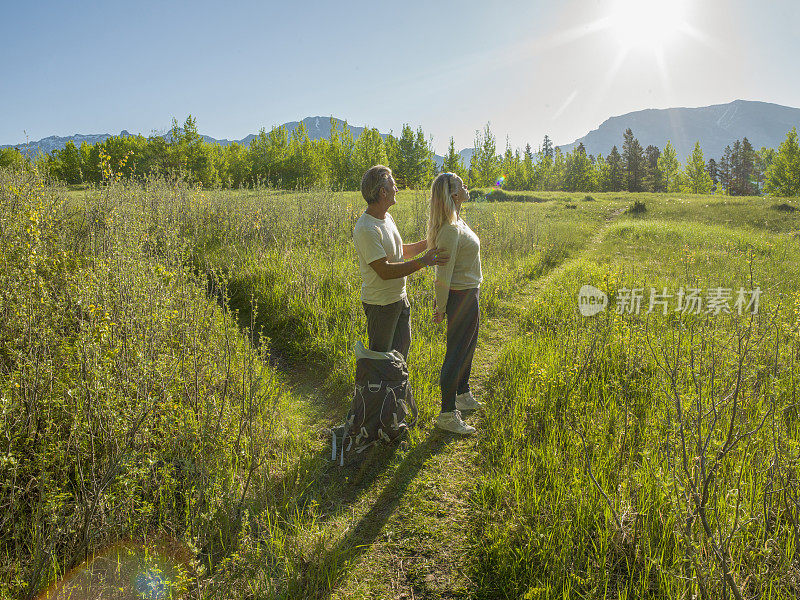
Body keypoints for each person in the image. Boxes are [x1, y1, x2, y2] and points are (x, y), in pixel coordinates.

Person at [353, 165, 448, 359]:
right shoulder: (366, 228)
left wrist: (432, 241)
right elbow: (384, 271)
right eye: (394, 185)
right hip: (381, 305)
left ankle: (396, 389)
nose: (397, 190)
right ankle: (377, 389)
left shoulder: (387, 218)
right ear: (383, 192)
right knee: (381, 358)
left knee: (401, 353)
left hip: (399, 299)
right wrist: (423, 262)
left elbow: (401, 251)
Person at [427, 172, 482, 435]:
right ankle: (447, 414)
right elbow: (442, 275)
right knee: (455, 354)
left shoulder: (458, 221)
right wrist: (440, 307)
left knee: (468, 348)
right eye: (461, 184)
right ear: (453, 194)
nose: (466, 185)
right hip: (460, 297)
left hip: (471, 293)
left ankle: (462, 393)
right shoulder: (449, 230)